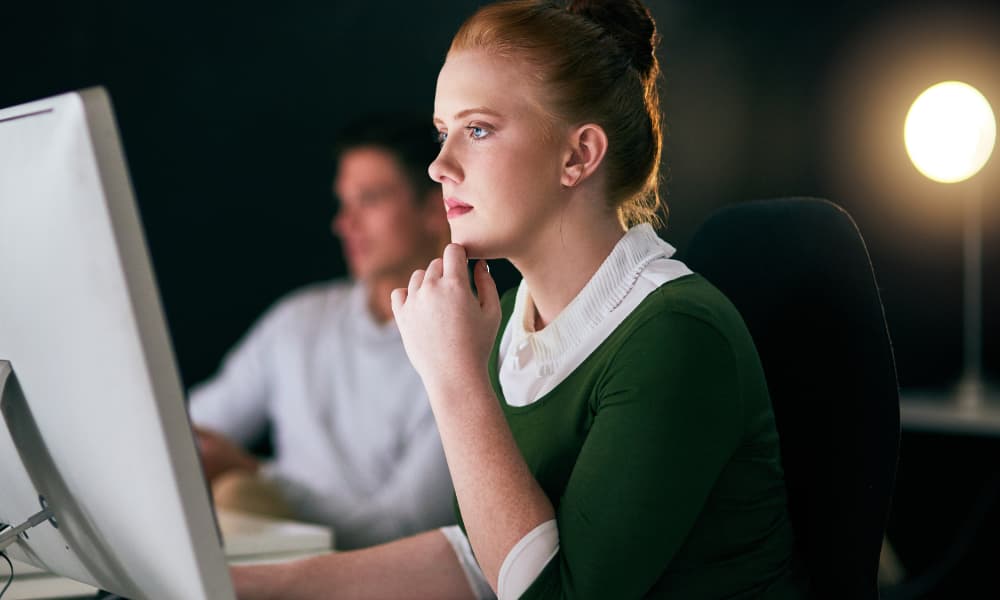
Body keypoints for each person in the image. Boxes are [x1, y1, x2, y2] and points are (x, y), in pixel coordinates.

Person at [232, 0, 805, 597]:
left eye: (476, 130)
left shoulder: (675, 334)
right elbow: (487, 558)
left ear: (577, 155)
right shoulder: (506, 319)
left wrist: (454, 378)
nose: (438, 166)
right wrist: (244, 585)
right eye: (441, 133)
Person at [188, 114, 457, 550]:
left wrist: (259, 480)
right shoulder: (297, 323)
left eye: (368, 200)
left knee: (238, 496)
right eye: (344, 203)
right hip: (274, 562)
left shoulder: (470, 350)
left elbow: (409, 526)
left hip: (382, 580)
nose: (344, 224)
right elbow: (194, 426)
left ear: (433, 209)